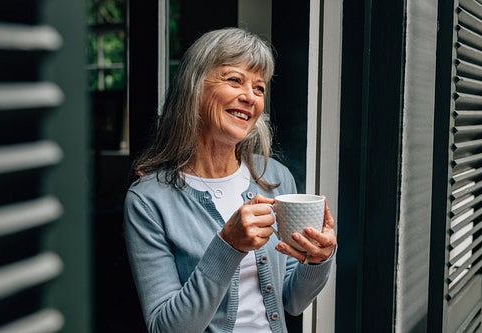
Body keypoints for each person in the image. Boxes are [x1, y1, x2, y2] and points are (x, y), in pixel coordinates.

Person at [124, 27, 337, 333]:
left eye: (260, 88)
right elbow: (166, 328)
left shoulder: (274, 178)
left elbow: (292, 300)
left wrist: (319, 259)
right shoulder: (148, 200)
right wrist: (228, 246)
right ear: (194, 87)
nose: (250, 97)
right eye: (235, 80)